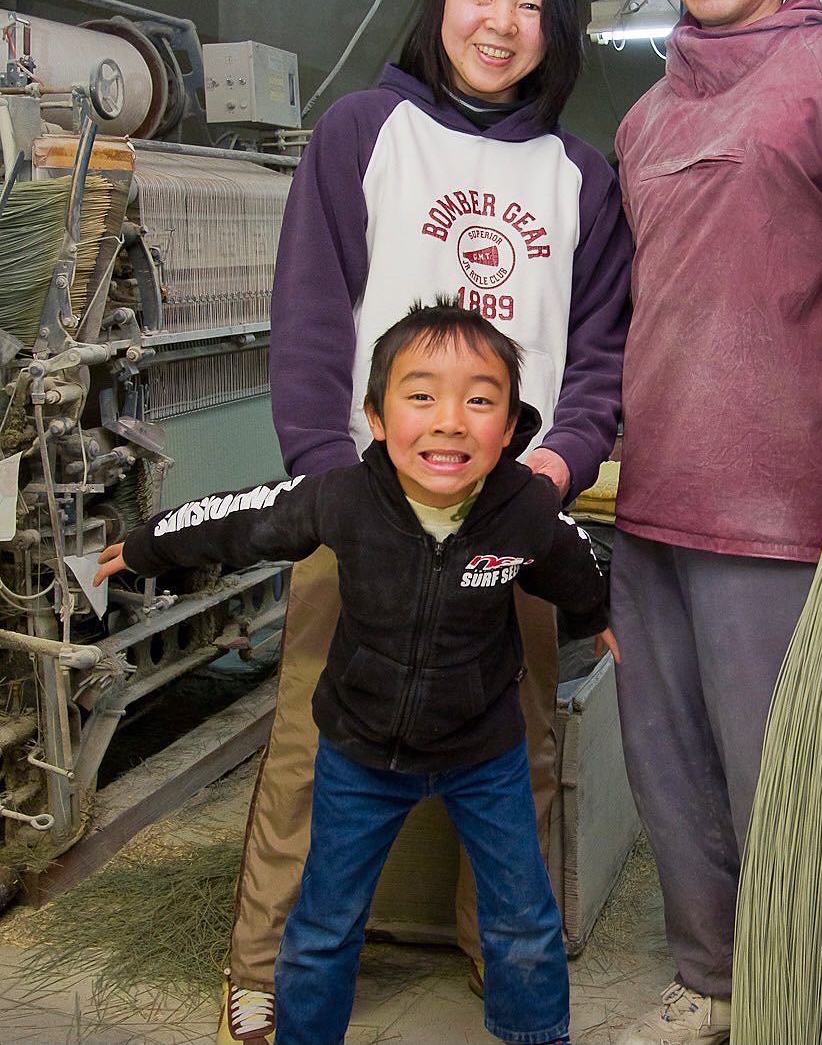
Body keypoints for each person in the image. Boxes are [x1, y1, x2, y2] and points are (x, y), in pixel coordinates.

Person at [216, 0, 631, 1044]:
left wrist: (555, 466)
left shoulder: (579, 176)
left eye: (531, 4)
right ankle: (262, 969)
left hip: (507, 511)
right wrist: (326, 485)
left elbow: (597, 353)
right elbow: (308, 319)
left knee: (518, 746)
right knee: (310, 737)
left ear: (558, 30)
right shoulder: (363, 130)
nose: (502, 23)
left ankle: (499, 959)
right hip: (369, 500)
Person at [96, 303, 619, 1045]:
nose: (449, 420)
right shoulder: (342, 498)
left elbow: (571, 561)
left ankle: (536, 1033)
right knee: (324, 921)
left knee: (524, 918)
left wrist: (603, 612)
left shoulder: (525, 509)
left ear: (508, 428)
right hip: (361, 755)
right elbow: (243, 518)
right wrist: (148, 544)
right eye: (421, 396)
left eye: (478, 399)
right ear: (376, 417)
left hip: (486, 756)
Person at [609, 0, 822, 1045]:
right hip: (651, 491)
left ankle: (803, 990)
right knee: (665, 763)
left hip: (778, 506)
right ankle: (708, 979)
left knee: (782, 778)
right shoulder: (645, 119)